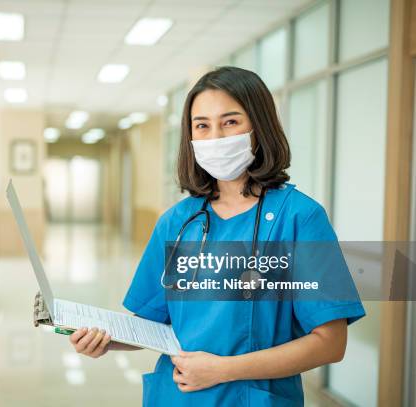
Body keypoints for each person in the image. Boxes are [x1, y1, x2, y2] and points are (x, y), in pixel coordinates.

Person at [68, 66, 365, 406]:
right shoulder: (178, 221)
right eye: (202, 126)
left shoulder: (299, 217)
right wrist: (106, 340)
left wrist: (224, 370)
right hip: (178, 395)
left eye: (230, 122)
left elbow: (330, 342)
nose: (215, 138)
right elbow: (152, 322)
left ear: (259, 125)